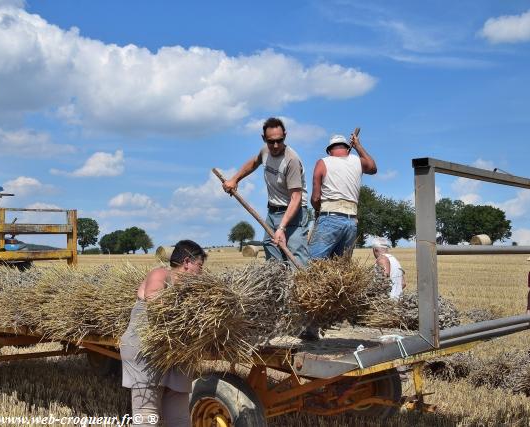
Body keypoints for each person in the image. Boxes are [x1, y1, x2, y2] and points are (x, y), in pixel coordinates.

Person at [120, 240, 207, 426]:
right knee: (146, 417)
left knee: (180, 418)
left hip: (176, 354)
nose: (201, 272)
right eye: (199, 266)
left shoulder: (191, 289)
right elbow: (154, 300)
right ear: (186, 262)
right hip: (146, 351)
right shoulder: (161, 274)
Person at [222, 117, 309, 267]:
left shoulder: (292, 160)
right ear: (264, 139)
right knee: (270, 248)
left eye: (279, 140)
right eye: (270, 141)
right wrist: (235, 179)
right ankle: (279, 286)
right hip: (272, 211)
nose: (275, 145)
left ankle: (303, 288)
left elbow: (296, 198)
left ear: (285, 136)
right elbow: (254, 162)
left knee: (296, 256)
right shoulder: (265, 151)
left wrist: (282, 228)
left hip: (293, 213)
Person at [308, 132, 377, 259]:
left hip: (329, 218)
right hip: (351, 222)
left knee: (313, 263)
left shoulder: (323, 162)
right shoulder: (358, 161)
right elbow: (373, 168)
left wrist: (318, 209)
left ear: (329, 150)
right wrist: (358, 146)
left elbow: (316, 198)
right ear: (347, 148)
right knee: (341, 268)